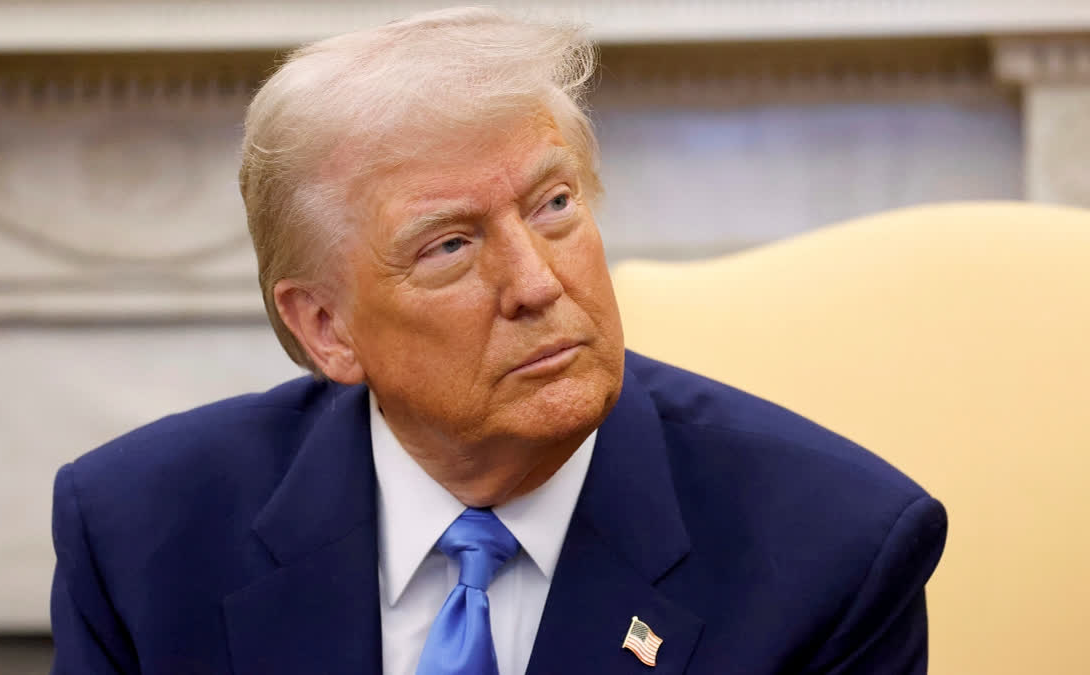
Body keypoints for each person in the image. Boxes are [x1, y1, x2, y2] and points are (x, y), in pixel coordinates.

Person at [49, 7, 947, 674]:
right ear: (326, 326)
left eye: (555, 205)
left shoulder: (836, 551)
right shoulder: (141, 538)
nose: (536, 282)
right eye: (450, 245)